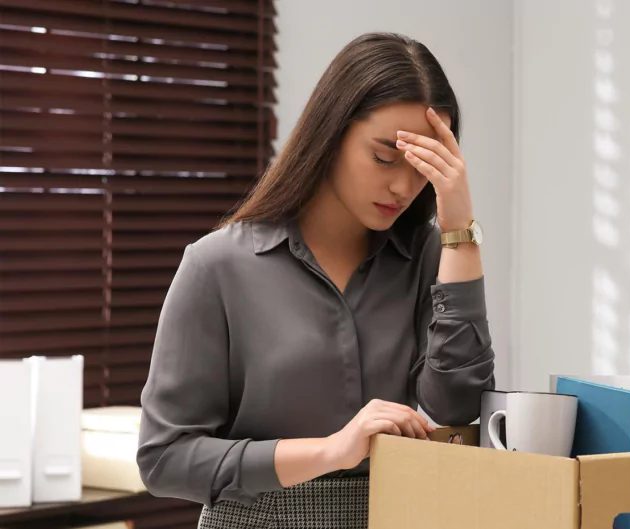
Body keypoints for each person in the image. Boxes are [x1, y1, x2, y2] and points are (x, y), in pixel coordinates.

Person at [136, 32, 496, 528]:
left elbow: (457, 405)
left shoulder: (429, 256)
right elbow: (164, 459)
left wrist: (461, 233)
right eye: (385, 157)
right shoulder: (216, 265)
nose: (403, 187)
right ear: (332, 134)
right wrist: (329, 452)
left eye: (422, 169)